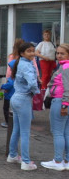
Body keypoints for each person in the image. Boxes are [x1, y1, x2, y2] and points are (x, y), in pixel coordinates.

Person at [7, 42, 39, 170]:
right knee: (25, 132)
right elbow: (32, 82)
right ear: (22, 53)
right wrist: (36, 91)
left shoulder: (21, 63)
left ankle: (12, 155)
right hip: (24, 99)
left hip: (16, 98)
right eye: (29, 51)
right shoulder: (26, 65)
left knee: (17, 129)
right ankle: (26, 161)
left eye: (33, 51)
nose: (32, 53)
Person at [41, 43, 69, 171]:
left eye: (62, 53)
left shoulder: (65, 68)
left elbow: (67, 88)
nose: (58, 56)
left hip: (60, 101)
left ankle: (58, 161)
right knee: (66, 133)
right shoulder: (63, 66)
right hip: (63, 101)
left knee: (58, 132)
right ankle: (67, 160)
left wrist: (64, 105)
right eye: (57, 53)